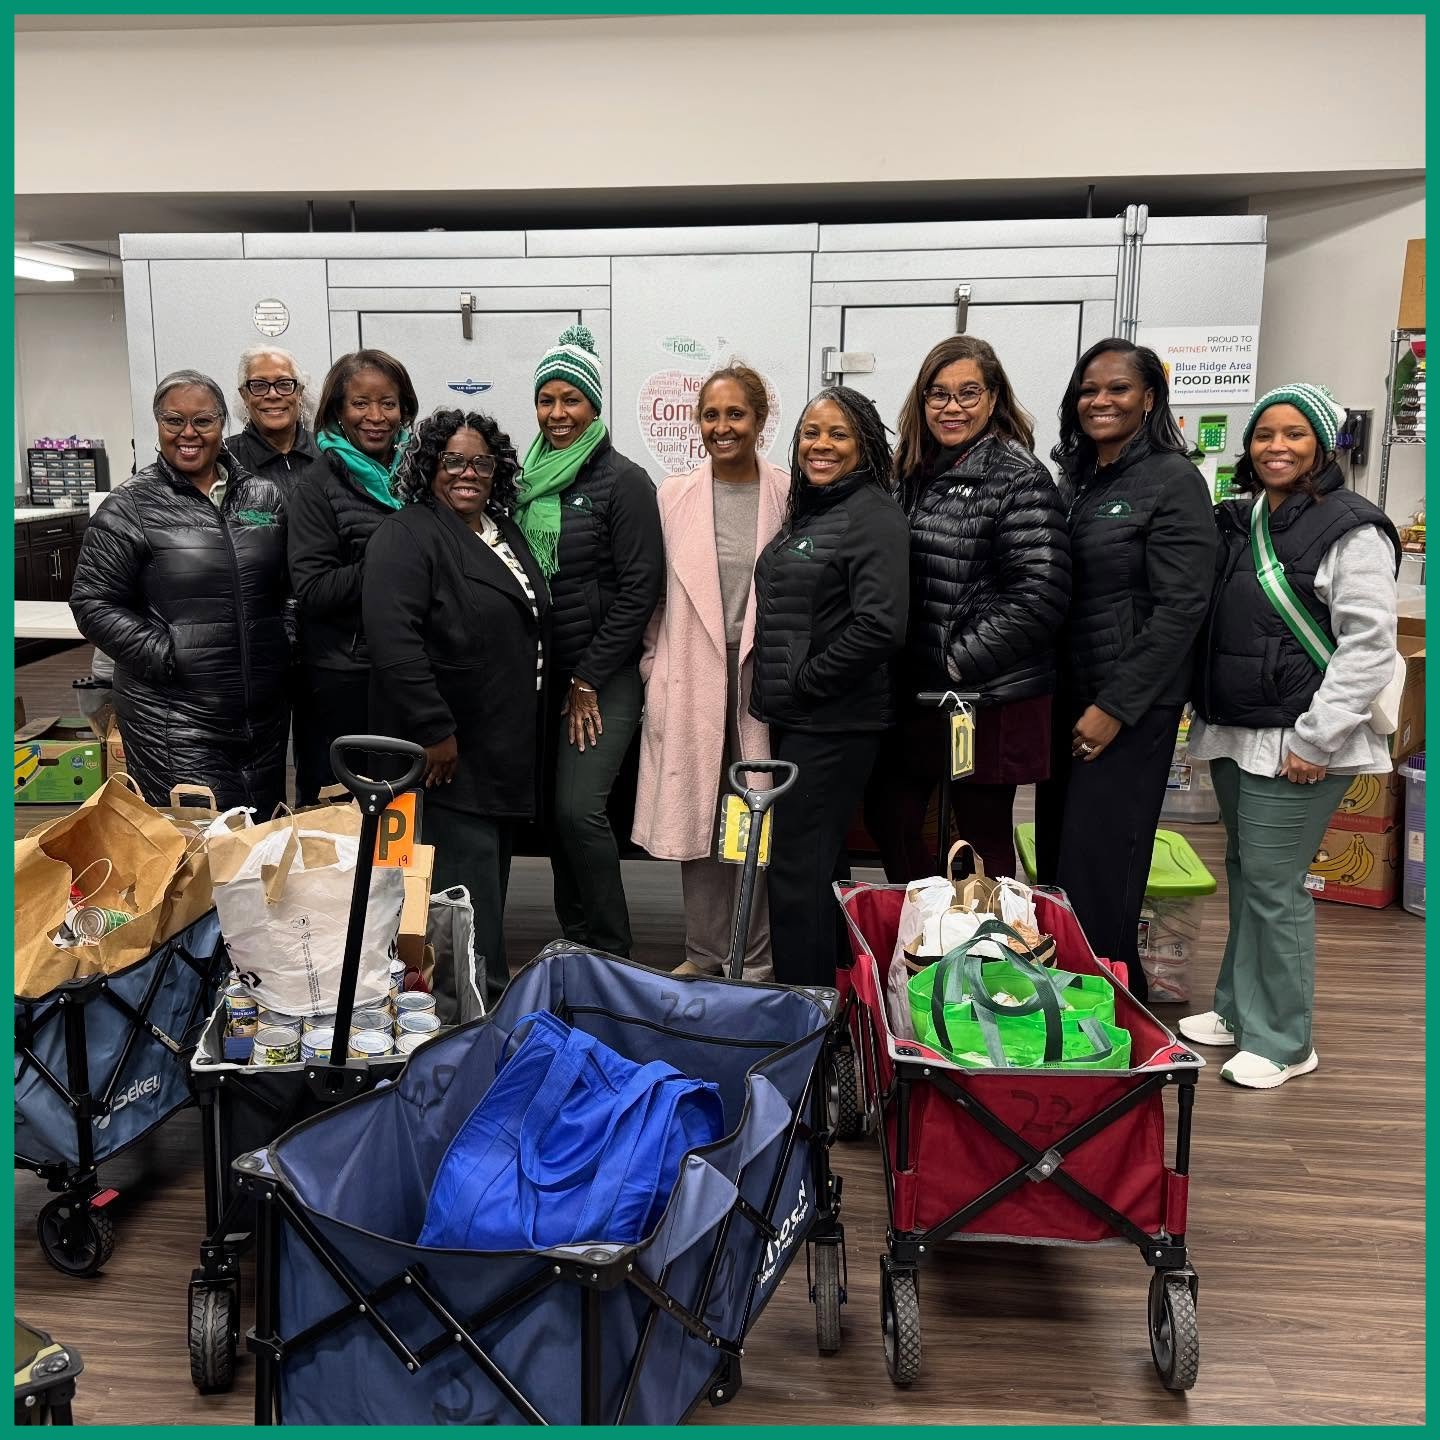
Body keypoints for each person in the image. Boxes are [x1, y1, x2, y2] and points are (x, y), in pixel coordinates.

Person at [1182, 384, 1400, 1087]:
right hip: (1243, 730)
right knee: (1248, 877)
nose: (1276, 446)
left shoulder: (1353, 528)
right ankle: (1237, 1010)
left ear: (1324, 444)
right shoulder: (1249, 519)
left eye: (1295, 434)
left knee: (1277, 888)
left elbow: (1368, 646)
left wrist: (1317, 737)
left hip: (1299, 741)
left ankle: (1284, 1038)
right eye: (1264, 433)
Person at [1035, 339, 1216, 1004]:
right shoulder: (1081, 481)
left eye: (1117, 389)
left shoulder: (1172, 480)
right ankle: (1084, 1000)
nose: (1100, 401)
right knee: (1062, 865)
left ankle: (1108, 1018)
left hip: (1127, 707)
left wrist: (1115, 705)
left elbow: (1181, 608)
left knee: (1101, 872)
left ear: (1149, 398)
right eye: (1088, 389)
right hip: (1071, 697)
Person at [864, 336, 1069, 882]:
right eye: (938, 394)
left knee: (978, 839)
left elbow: (1039, 595)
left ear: (994, 397)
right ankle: (923, 939)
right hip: (921, 693)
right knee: (894, 816)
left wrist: (953, 663)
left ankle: (985, 954)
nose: (951, 407)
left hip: (984, 699)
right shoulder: (907, 472)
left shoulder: (1017, 476)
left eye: (968, 393)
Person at [364, 409, 549, 1009]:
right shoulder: (408, 533)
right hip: (452, 752)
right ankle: (467, 1010)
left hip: (498, 743)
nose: (468, 473)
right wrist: (434, 729)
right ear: (428, 467)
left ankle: (480, 997)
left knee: (486, 885)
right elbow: (394, 641)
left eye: (481, 463)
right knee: (460, 892)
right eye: (453, 461)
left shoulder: (497, 529)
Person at [70, 369, 290, 812]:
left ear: (222, 425)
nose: (188, 433)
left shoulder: (263, 497)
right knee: (199, 847)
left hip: (260, 714)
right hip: (173, 714)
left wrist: (283, 639)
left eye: (203, 421)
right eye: (174, 421)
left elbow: (288, 587)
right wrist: (168, 654)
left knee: (261, 841)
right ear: (159, 426)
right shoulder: (130, 505)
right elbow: (92, 601)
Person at [750, 386, 909, 987]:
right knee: (818, 864)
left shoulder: (872, 516)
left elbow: (879, 626)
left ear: (864, 445)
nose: (821, 445)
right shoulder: (818, 508)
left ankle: (802, 1004)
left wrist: (806, 682)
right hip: (805, 718)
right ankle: (836, 993)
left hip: (836, 722)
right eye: (811, 433)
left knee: (796, 867)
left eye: (838, 434)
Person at [633, 364, 789, 977]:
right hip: (691, 675)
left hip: (759, 677)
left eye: (735, 414)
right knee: (697, 822)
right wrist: (654, 667)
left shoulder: (787, 490)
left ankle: (752, 959)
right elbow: (655, 595)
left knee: (754, 815)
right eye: (711, 415)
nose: (722, 427)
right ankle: (702, 953)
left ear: (759, 420)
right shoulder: (673, 495)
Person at [516, 324, 663, 958]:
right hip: (542, 677)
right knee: (553, 815)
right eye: (546, 400)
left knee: (581, 809)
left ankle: (610, 947)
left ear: (594, 407)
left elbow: (640, 589)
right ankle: (575, 937)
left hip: (603, 678)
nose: (557, 414)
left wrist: (588, 678)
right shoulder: (524, 478)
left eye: (570, 400)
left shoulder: (623, 482)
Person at [287, 349, 419, 804]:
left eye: (388, 403)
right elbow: (314, 589)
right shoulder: (317, 485)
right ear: (338, 410)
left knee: (404, 812)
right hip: (344, 678)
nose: (376, 416)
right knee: (344, 818)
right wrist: (390, 566)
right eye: (361, 403)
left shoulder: (416, 476)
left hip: (409, 671)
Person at [225, 345, 318, 484]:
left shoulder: (328, 452)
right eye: (259, 385)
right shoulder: (225, 459)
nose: (273, 394)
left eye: (284, 383)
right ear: (244, 395)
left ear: (299, 392)